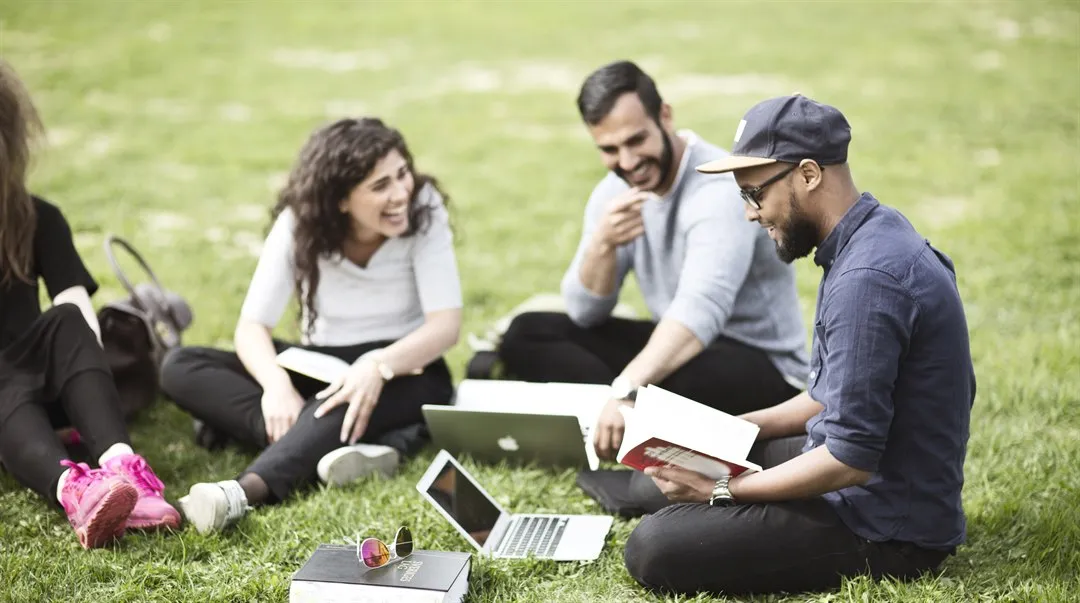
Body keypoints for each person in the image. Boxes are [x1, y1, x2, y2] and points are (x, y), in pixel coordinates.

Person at [620, 94, 976, 596]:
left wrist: (725, 490)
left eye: (754, 194)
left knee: (653, 547)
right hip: (855, 470)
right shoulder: (866, 236)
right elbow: (828, 396)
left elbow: (850, 460)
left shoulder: (868, 278)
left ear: (808, 174)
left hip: (886, 525)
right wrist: (734, 428)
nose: (749, 214)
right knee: (665, 472)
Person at [496, 60, 810, 467]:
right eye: (609, 149)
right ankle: (625, 416)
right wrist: (601, 245)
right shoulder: (615, 191)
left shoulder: (717, 191)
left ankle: (616, 412)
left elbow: (700, 312)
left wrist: (627, 386)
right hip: (678, 347)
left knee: (666, 383)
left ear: (665, 115)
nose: (626, 162)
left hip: (757, 364)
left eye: (636, 140)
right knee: (528, 332)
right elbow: (584, 313)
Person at [159, 117, 462, 533]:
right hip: (318, 366)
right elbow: (252, 328)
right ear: (340, 199)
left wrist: (377, 366)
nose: (401, 193)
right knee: (181, 365)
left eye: (403, 173)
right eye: (380, 186)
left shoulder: (424, 207)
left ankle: (240, 492)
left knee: (336, 407)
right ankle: (356, 442)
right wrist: (276, 387)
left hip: (406, 368)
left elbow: (446, 326)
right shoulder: (298, 223)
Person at [0, 60, 179, 549]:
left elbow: (78, 318)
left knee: (67, 319)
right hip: (5, 402)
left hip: (44, 383)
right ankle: (75, 489)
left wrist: (75, 383)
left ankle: (121, 468)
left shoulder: (37, 218)